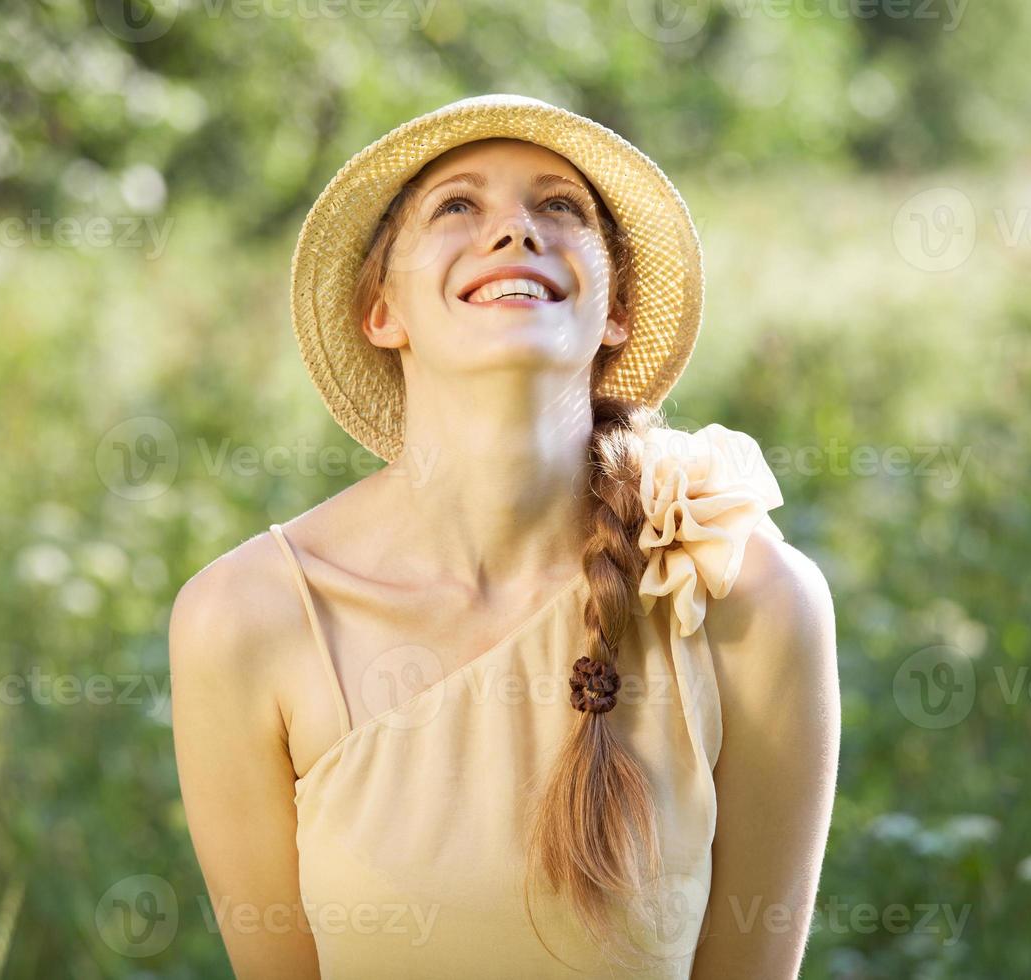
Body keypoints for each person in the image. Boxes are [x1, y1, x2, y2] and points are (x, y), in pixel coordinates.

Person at [169, 94, 840, 979]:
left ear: (616, 314)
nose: (515, 232)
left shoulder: (745, 603)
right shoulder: (245, 620)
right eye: (457, 205)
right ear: (382, 311)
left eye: (559, 206)